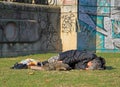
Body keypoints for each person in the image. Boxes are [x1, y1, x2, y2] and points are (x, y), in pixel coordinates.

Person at [31, 50, 106, 70]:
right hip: (66, 56)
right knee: (50, 61)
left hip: (69, 63)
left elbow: (79, 65)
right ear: (91, 62)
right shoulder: (89, 56)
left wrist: (85, 68)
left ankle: (39, 65)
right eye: (89, 66)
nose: (88, 66)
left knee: (55, 66)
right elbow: (74, 58)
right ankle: (33, 64)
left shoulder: (96, 63)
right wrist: (63, 61)